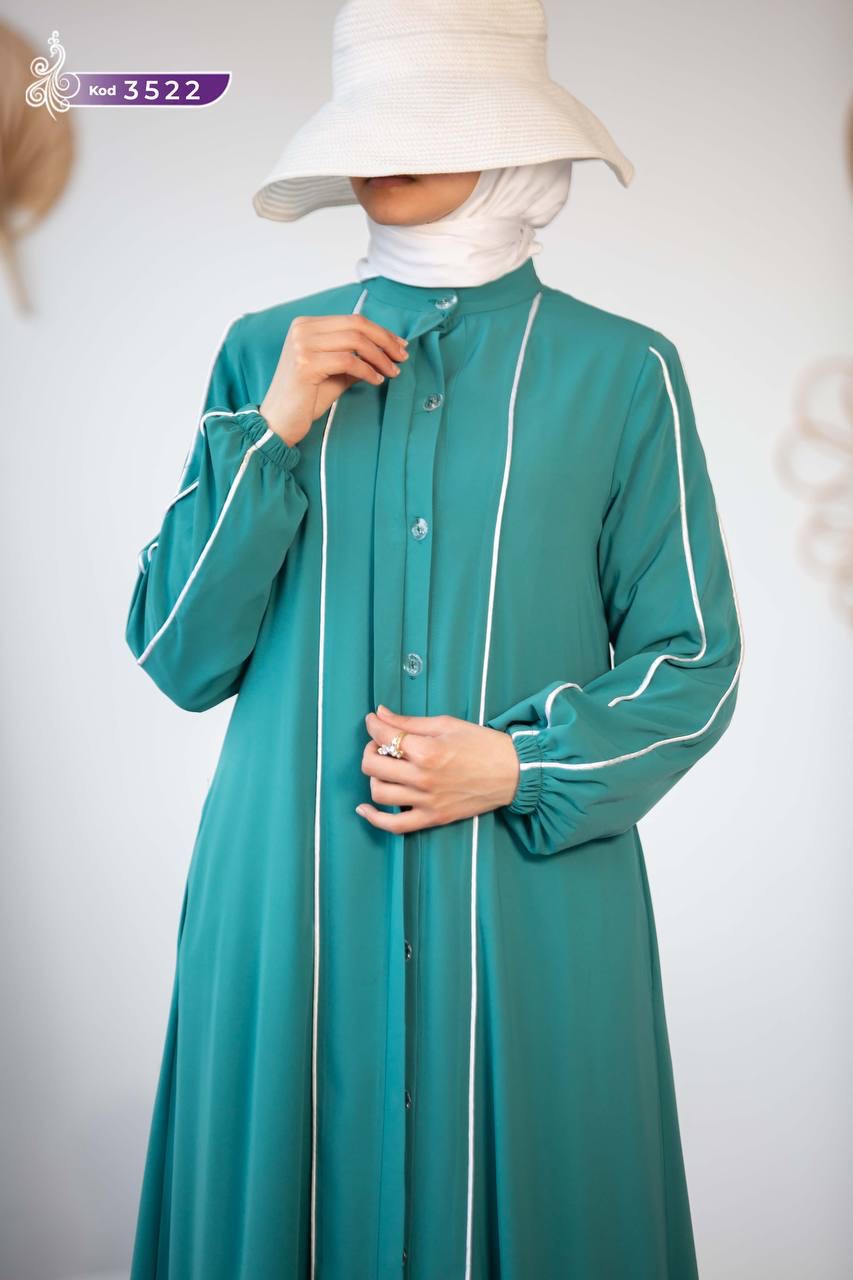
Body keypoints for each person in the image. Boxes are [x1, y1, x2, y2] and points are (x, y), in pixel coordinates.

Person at [125, 2, 744, 1278]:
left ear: (513, 137)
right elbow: (179, 653)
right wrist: (273, 432)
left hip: (524, 901)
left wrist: (518, 765)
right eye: (372, 121)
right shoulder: (264, 354)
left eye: (432, 118)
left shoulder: (623, 372)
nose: (385, 150)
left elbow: (693, 661)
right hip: (290, 896)